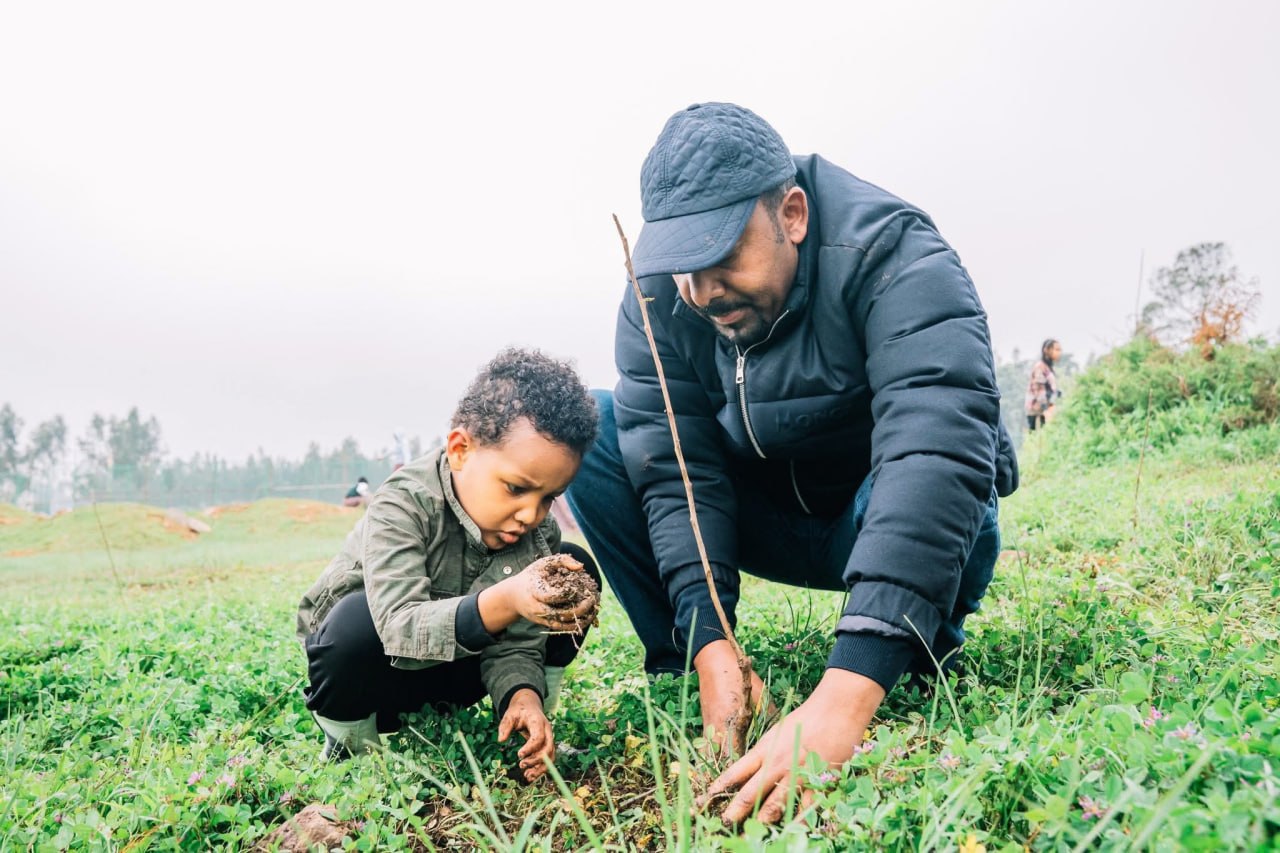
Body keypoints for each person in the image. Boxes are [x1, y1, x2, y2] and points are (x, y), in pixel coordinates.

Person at [564, 103, 1018, 822]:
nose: (701, 292)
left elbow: (932, 450)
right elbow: (675, 471)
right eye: (682, 265)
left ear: (793, 215)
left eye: (721, 255)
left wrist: (843, 699)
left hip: (868, 514)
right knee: (598, 426)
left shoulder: (895, 253)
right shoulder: (660, 296)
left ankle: (908, 651)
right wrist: (711, 641)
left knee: (963, 463)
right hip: (764, 518)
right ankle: (695, 675)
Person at [297, 348, 601, 782]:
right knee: (353, 622)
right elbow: (397, 627)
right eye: (516, 488)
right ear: (460, 450)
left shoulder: (536, 534)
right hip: (376, 682)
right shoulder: (403, 504)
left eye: (548, 497)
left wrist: (523, 694)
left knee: (570, 573)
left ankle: (528, 734)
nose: (531, 514)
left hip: (458, 676)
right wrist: (507, 599)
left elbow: (517, 644)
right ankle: (351, 756)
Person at [1025, 338, 1063, 431]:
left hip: (1045, 411)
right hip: (1037, 412)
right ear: (1046, 350)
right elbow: (1038, 390)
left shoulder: (1047, 367)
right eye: (1056, 349)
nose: (1059, 353)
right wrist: (1046, 409)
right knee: (1038, 436)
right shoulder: (1040, 367)